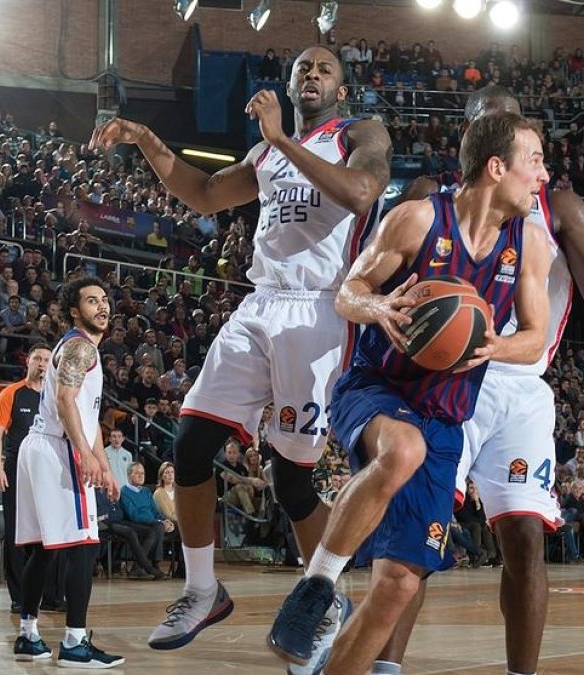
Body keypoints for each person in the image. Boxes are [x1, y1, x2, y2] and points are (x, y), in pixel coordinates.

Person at [91, 46, 392, 668]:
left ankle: (324, 599)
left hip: (320, 310)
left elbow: (362, 194)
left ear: (341, 89)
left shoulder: (360, 133)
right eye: (303, 68)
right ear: (290, 82)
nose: (312, 74)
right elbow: (203, 193)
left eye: (324, 69)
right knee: (190, 444)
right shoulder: (265, 153)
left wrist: (280, 139)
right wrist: (147, 140)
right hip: (260, 303)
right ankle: (203, 589)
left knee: (291, 480)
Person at [376, 86, 584, 675]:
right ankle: (382, 668)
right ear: (473, 140)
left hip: (519, 384)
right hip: (442, 380)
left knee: (525, 540)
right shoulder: (428, 202)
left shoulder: (557, 205)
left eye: (518, 125)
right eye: (493, 124)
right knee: (416, 539)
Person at [269, 111, 551, 674]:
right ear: (497, 167)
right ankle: (316, 588)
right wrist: (378, 306)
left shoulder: (530, 244)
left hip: (445, 417)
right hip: (376, 387)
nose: (543, 176)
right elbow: (349, 292)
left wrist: (495, 346)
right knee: (402, 449)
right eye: (536, 161)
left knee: (399, 585)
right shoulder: (418, 218)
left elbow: (535, 338)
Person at [11, 279, 124, 668]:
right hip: (57, 448)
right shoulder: (80, 346)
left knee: (44, 549)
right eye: (92, 301)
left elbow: (88, 418)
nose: (102, 306)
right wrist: (84, 455)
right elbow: (65, 401)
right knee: (84, 546)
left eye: (104, 300)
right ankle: (75, 643)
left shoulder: (80, 347)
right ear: (75, 311)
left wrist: (104, 466)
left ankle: (28, 636)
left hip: (41, 446)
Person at [0, 344, 59, 614]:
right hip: (17, 470)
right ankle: (19, 597)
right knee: (16, 534)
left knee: (50, 533)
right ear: (27, 362)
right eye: (37, 358)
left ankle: (52, 596)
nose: (42, 363)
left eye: (47, 360)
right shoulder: (12, 393)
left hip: (49, 473)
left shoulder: (56, 396)